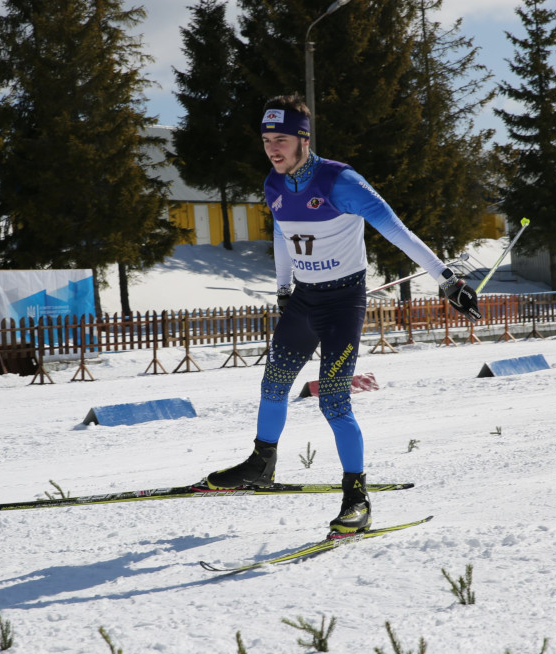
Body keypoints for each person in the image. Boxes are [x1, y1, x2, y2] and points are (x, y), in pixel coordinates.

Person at [204, 94, 480, 535]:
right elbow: (281, 233)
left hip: (342, 303)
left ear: (303, 139)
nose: (272, 148)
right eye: (265, 140)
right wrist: (283, 287)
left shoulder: (341, 182)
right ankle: (260, 464)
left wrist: (447, 280)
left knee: (333, 399)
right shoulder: (273, 184)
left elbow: (397, 231)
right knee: (273, 384)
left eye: (281, 139)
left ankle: (357, 498)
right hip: (304, 300)